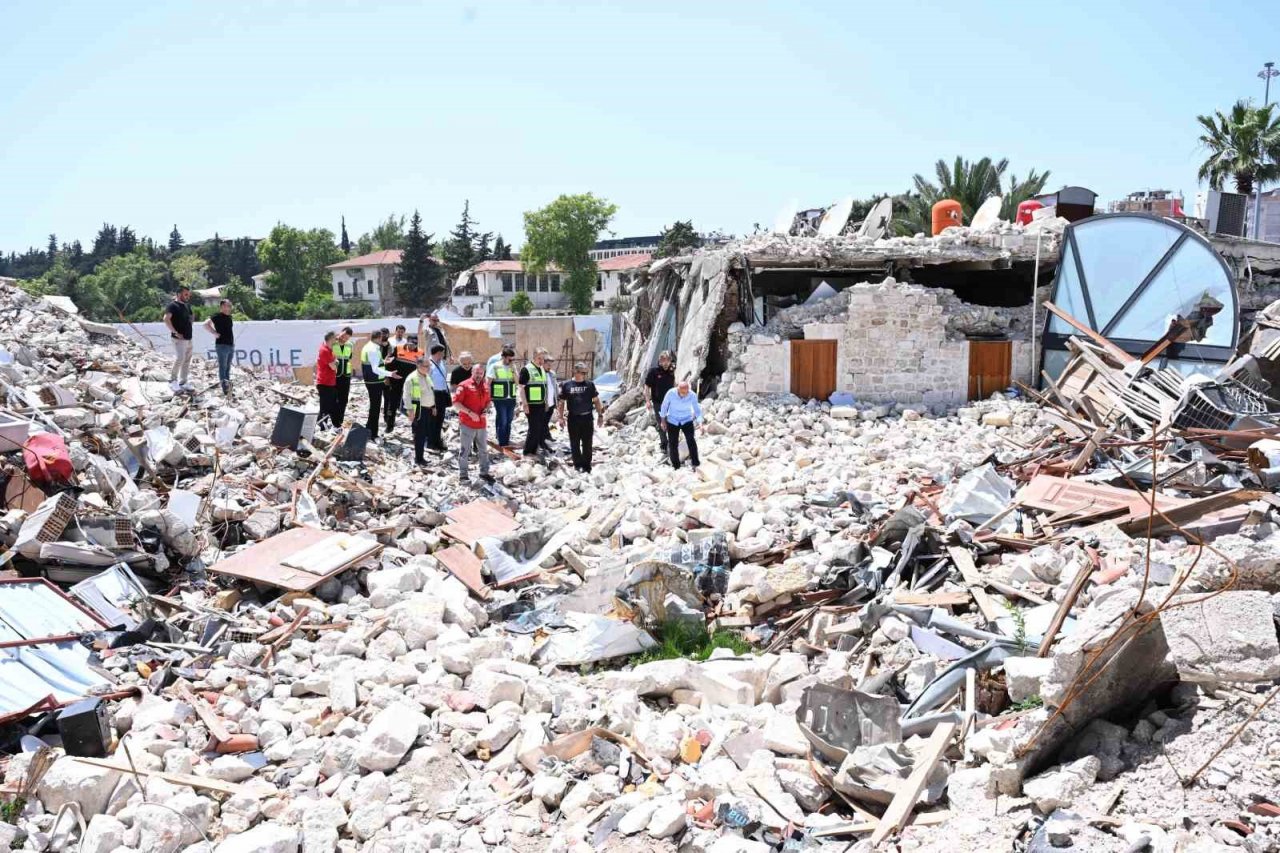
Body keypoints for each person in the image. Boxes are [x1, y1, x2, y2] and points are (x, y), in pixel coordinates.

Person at [557, 362, 605, 473]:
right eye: (583, 372)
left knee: (587, 442)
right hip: (573, 418)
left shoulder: (590, 385)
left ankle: (587, 466)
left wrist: (600, 415)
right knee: (574, 442)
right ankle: (577, 465)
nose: (584, 375)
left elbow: (596, 401)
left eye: (585, 372)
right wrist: (560, 417)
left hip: (587, 417)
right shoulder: (567, 385)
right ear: (576, 372)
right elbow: (561, 402)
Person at [452, 364, 493, 482]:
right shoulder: (464, 385)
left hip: (481, 424)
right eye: (477, 373)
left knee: (483, 450)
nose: (479, 375)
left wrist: (486, 409)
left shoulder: (485, 386)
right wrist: (470, 413)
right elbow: (456, 403)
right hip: (467, 424)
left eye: (481, 373)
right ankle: (463, 475)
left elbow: (488, 402)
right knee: (465, 450)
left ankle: (484, 472)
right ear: (472, 373)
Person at [360, 330, 399, 439]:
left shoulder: (370, 346)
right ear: (378, 337)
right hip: (374, 382)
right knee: (375, 408)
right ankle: (373, 434)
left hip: (373, 381)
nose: (383, 339)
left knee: (374, 407)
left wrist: (384, 361)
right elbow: (375, 369)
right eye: (382, 337)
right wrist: (391, 374)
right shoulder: (373, 349)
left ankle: (369, 429)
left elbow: (375, 363)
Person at [660, 380, 704, 470]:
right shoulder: (670, 393)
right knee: (673, 444)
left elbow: (697, 411)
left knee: (691, 440)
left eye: (686, 392)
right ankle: (676, 466)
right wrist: (663, 421)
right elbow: (664, 407)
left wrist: (700, 423)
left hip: (686, 419)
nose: (685, 394)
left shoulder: (692, 395)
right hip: (673, 420)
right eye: (683, 392)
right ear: (678, 389)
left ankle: (695, 463)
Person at [519, 348, 551, 457]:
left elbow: (544, 387)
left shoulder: (541, 369)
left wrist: (546, 402)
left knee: (539, 428)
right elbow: (521, 388)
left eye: (543, 358)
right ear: (534, 357)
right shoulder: (526, 369)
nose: (541, 361)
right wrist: (524, 403)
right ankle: (527, 452)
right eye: (539, 358)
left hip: (541, 404)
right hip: (531, 405)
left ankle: (534, 449)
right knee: (533, 428)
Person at [644, 351, 676, 454]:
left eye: (668, 360)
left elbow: (674, 385)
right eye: (663, 360)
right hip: (658, 403)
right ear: (660, 361)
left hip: (670, 403)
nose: (666, 363)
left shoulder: (671, 371)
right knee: (662, 423)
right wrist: (647, 401)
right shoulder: (653, 372)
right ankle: (664, 444)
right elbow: (646, 387)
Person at [164, 286, 194, 392]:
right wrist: (175, 332)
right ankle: (172, 380)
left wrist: (190, 320)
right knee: (180, 358)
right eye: (185, 294)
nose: (187, 297)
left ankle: (183, 381)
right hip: (179, 338)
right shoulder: (172, 305)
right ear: (178, 294)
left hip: (188, 337)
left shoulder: (187, 305)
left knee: (187, 360)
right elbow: (166, 319)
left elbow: (191, 316)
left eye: (188, 295)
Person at [202, 299, 235, 395]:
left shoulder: (229, 317)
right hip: (222, 345)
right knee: (223, 367)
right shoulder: (217, 316)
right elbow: (205, 324)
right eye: (227, 305)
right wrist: (214, 333)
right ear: (222, 306)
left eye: (230, 306)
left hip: (230, 345)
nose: (228, 308)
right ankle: (225, 388)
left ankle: (228, 386)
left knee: (228, 367)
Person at [488, 346, 518, 448]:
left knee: (509, 421)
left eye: (513, 359)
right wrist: (488, 398)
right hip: (500, 398)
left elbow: (517, 382)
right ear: (504, 357)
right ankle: (502, 443)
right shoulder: (495, 366)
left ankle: (506, 440)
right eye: (510, 359)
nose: (511, 361)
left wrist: (513, 370)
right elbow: (488, 383)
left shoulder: (512, 367)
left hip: (511, 398)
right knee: (503, 421)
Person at [404, 357, 432, 465]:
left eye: (429, 366)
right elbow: (406, 396)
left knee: (424, 434)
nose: (429, 368)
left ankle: (421, 456)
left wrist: (433, 406)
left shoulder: (426, 376)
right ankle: (419, 459)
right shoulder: (412, 378)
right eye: (426, 366)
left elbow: (430, 391)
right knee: (419, 435)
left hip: (427, 409)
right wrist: (410, 411)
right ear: (419, 366)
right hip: (418, 411)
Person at [425, 344, 451, 452]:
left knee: (440, 419)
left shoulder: (441, 364)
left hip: (442, 394)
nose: (443, 355)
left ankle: (437, 441)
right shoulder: (428, 364)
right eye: (442, 352)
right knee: (432, 420)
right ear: (438, 353)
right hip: (433, 394)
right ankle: (431, 443)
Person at [315, 331, 339, 429]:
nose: (336, 340)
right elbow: (333, 366)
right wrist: (336, 362)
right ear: (330, 338)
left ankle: (325, 425)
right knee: (325, 407)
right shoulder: (324, 350)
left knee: (330, 405)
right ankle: (321, 426)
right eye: (335, 338)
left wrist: (335, 362)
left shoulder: (329, 349)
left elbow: (334, 361)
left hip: (330, 382)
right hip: (325, 383)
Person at [332, 327, 355, 427]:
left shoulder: (350, 345)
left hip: (346, 375)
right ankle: (332, 420)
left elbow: (349, 358)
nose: (344, 339)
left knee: (344, 399)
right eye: (343, 336)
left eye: (347, 338)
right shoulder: (332, 343)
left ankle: (339, 421)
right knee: (333, 399)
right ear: (340, 332)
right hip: (334, 375)